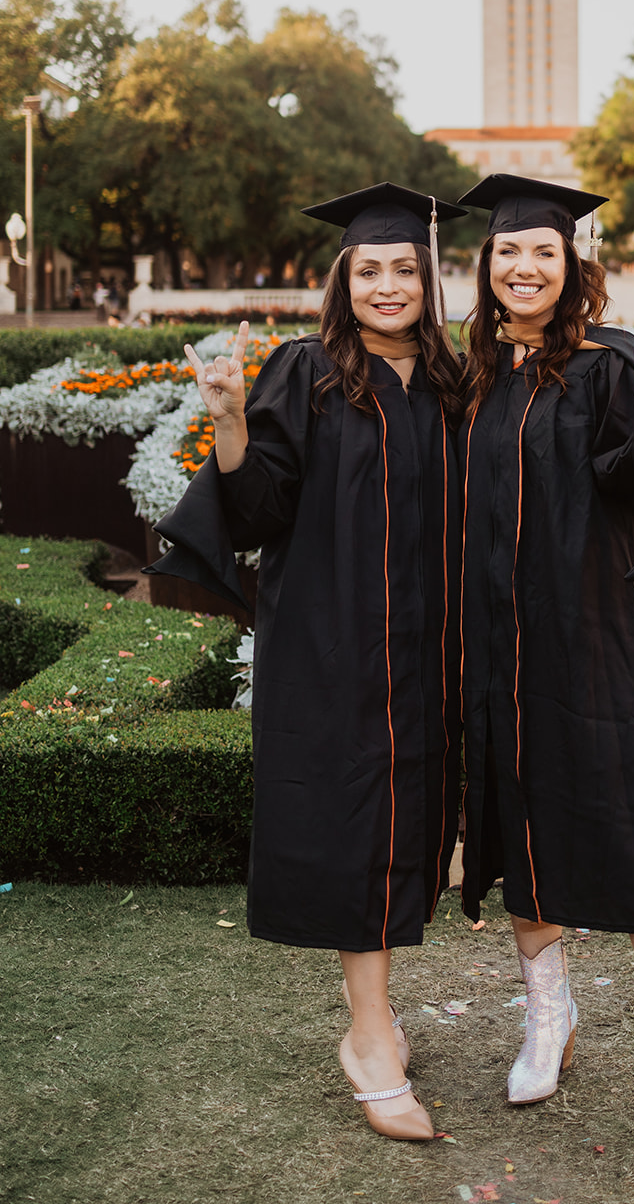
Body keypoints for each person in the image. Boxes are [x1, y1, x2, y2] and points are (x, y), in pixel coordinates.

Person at [146, 184, 466, 1143]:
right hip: (332, 641)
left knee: (417, 825)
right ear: (343, 278)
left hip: (436, 643)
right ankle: (368, 1036)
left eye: (403, 268)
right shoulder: (305, 372)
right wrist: (231, 420)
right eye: (368, 269)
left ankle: (395, 1017)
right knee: (351, 823)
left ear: (428, 278)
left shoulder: (456, 382)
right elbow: (255, 514)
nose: (386, 285)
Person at [456, 174, 634, 1175]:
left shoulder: (612, 366)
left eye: (542, 252)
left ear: (572, 266)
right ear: (484, 268)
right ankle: (547, 1015)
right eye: (505, 252)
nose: (522, 266)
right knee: (519, 824)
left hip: (601, 647)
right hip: (500, 648)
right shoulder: (476, 374)